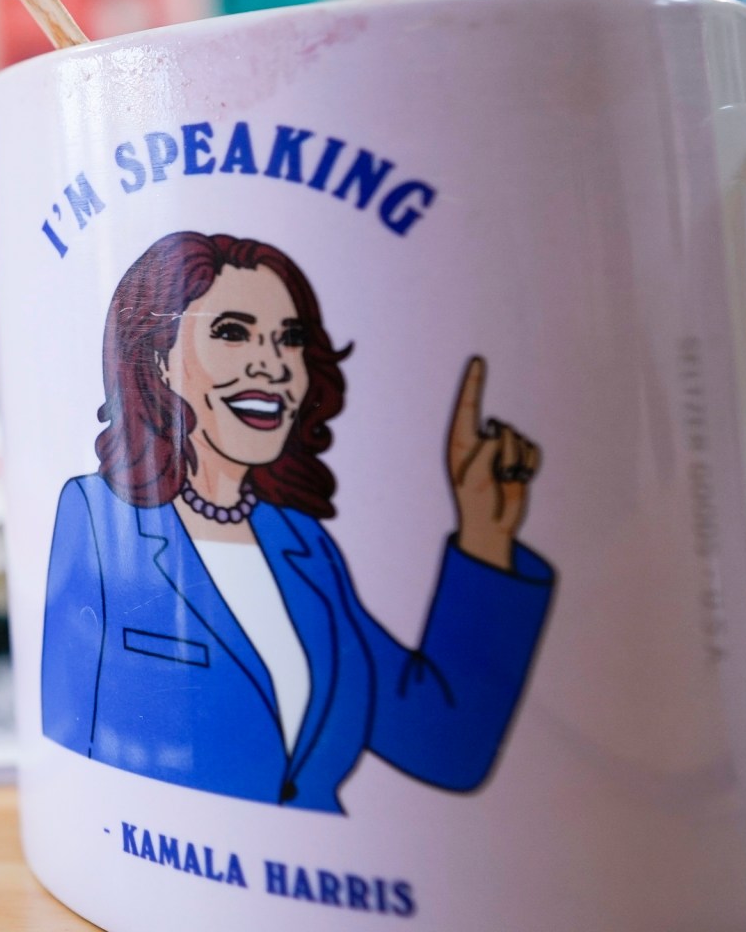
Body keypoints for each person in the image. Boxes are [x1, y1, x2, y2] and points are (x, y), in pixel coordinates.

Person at [39, 230, 555, 814]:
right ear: (157, 361)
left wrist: (484, 537)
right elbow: (73, 737)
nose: (272, 366)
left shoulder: (304, 546)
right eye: (232, 333)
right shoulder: (98, 517)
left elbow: (444, 746)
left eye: (289, 341)